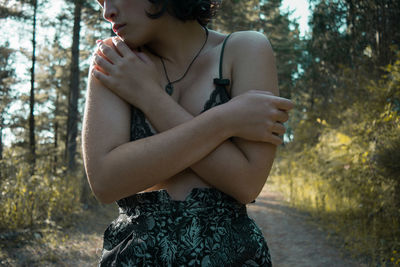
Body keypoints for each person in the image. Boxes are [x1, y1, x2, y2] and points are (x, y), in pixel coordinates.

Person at [82, 0, 294, 266]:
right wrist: (226, 119)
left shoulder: (244, 49)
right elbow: (105, 181)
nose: (107, 12)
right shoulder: (115, 61)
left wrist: (147, 96)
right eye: (101, 1)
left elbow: (247, 184)